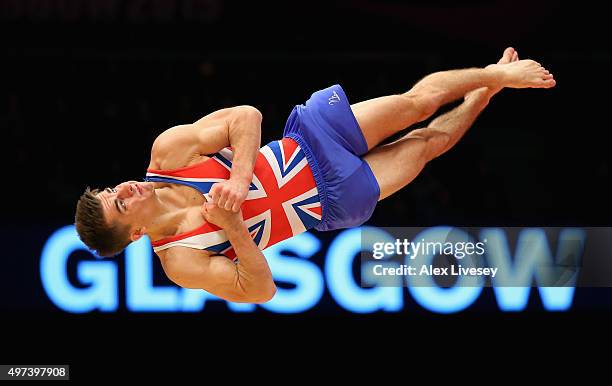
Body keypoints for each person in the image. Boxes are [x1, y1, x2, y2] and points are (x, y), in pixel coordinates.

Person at [75, 47, 555, 303]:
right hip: (329, 201)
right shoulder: (179, 261)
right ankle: (482, 95)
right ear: (136, 234)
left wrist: (241, 179)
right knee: (429, 145)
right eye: (120, 204)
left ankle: (494, 73)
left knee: (417, 103)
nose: (125, 189)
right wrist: (235, 228)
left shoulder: (169, 154)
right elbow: (259, 290)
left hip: (310, 140)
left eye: (110, 189)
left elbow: (245, 116)